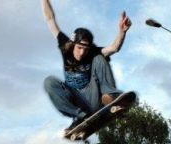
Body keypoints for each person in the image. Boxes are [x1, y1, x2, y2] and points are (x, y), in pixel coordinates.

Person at [41, 0, 132, 133]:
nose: (82, 52)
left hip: (93, 96)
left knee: (100, 58)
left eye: (86, 49)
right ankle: (80, 117)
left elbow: (114, 48)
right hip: (75, 100)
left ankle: (110, 97)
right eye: (79, 47)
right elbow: (50, 19)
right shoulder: (65, 45)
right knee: (49, 82)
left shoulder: (92, 53)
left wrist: (122, 32)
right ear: (73, 44)